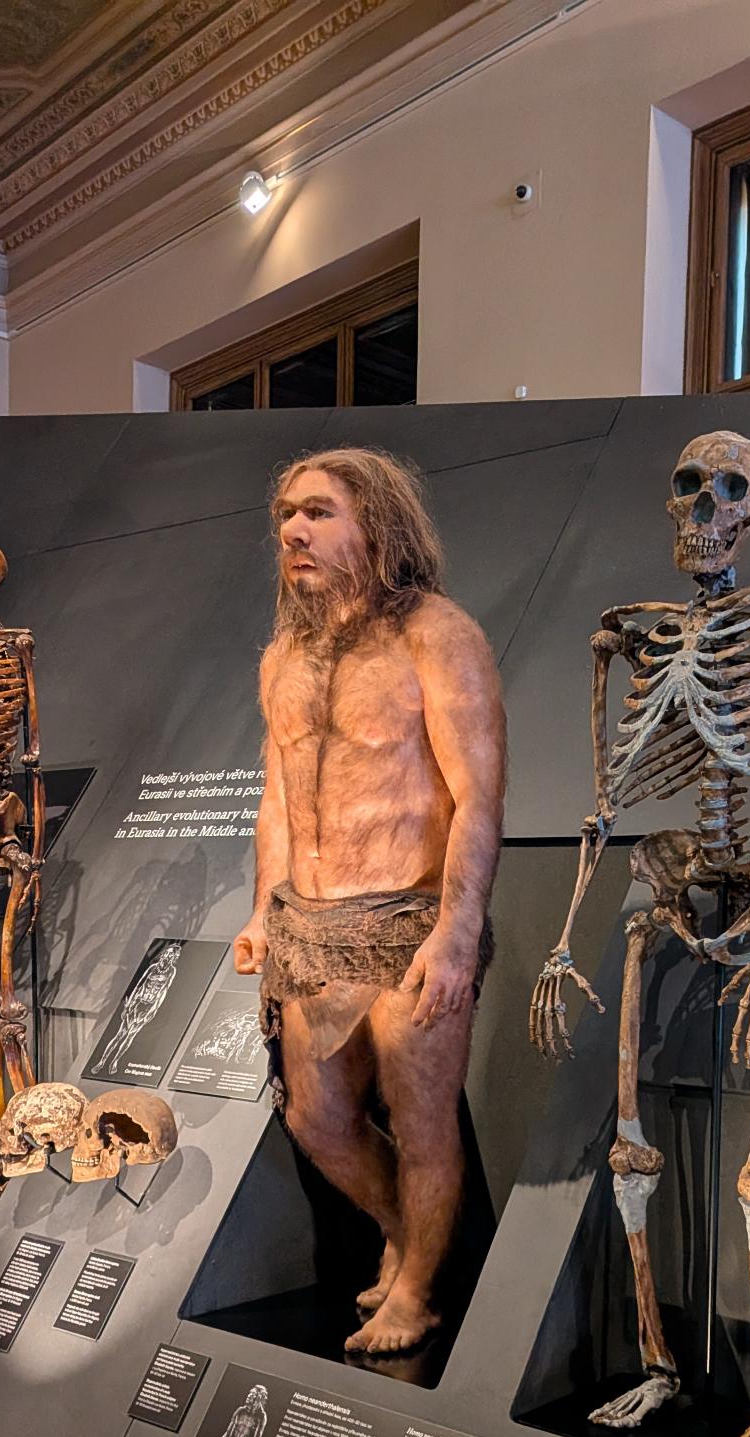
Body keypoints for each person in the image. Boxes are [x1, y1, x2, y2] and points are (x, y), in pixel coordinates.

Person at [233, 448, 505, 1354]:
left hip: (407, 918)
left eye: (318, 513)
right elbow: (278, 800)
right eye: (285, 515)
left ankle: (419, 1292)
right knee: (315, 1120)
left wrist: (458, 932)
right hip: (308, 929)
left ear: (378, 525)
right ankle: (404, 1234)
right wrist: (263, 911)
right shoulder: (284, 657)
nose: (293, 531)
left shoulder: (438, 635)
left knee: (423, 1124)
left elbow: (477, 798)